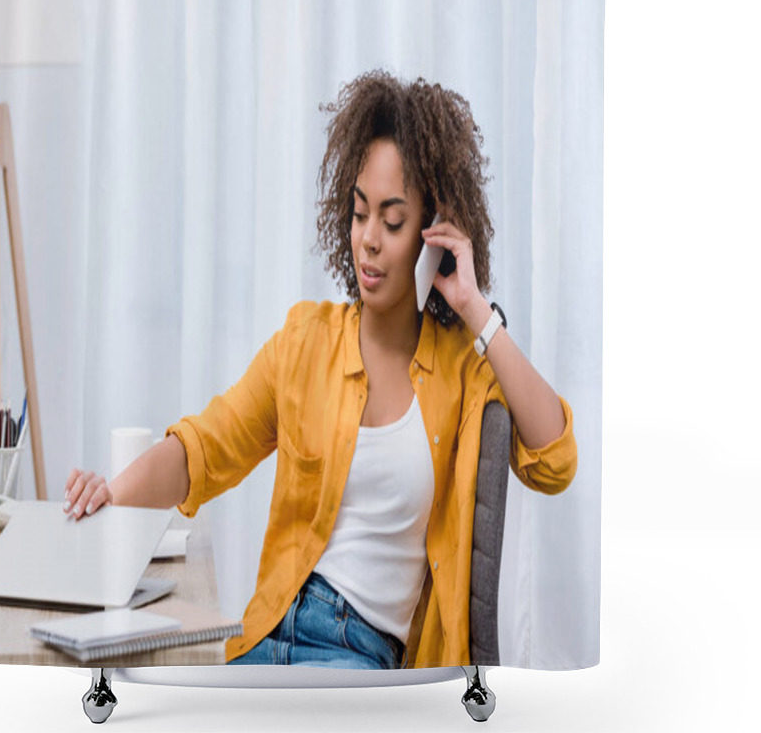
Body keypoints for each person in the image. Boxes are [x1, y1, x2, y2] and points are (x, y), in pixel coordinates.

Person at [63, 69, 577, 670]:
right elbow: (202, 449)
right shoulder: (306, 342)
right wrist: (113, 493)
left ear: (432, 232)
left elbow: (554, 462)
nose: (369, 241)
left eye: (393, 220)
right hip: (265, 634)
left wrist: (476, 310)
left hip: (359, 655)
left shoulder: (465, 368)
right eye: (360, 215)